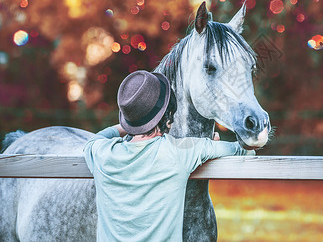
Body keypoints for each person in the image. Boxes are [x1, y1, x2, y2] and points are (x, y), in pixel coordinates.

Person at [83, 70, 254, 242]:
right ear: (167, 116)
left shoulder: (102, 153)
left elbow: (95, 139)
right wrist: (214, 144)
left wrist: (128, 125)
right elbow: (243, 149)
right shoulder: (179, 152)